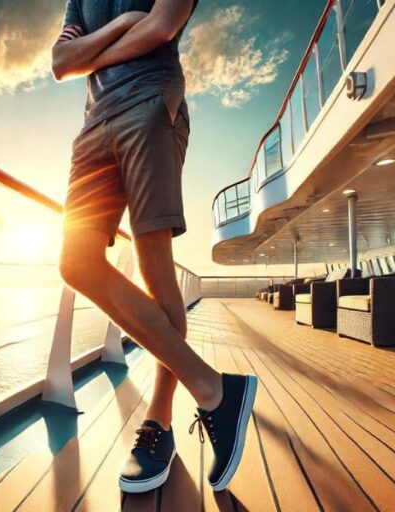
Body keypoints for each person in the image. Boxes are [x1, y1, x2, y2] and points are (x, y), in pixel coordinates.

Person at [52, 0, 258, 494]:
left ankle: (158, 425)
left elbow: (164, 25)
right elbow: (61, 64)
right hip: (93, 125)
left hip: (150, 103)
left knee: (156, 270)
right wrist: (127, 24)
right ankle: (213, 388)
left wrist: (93, 50)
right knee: (75, 261)